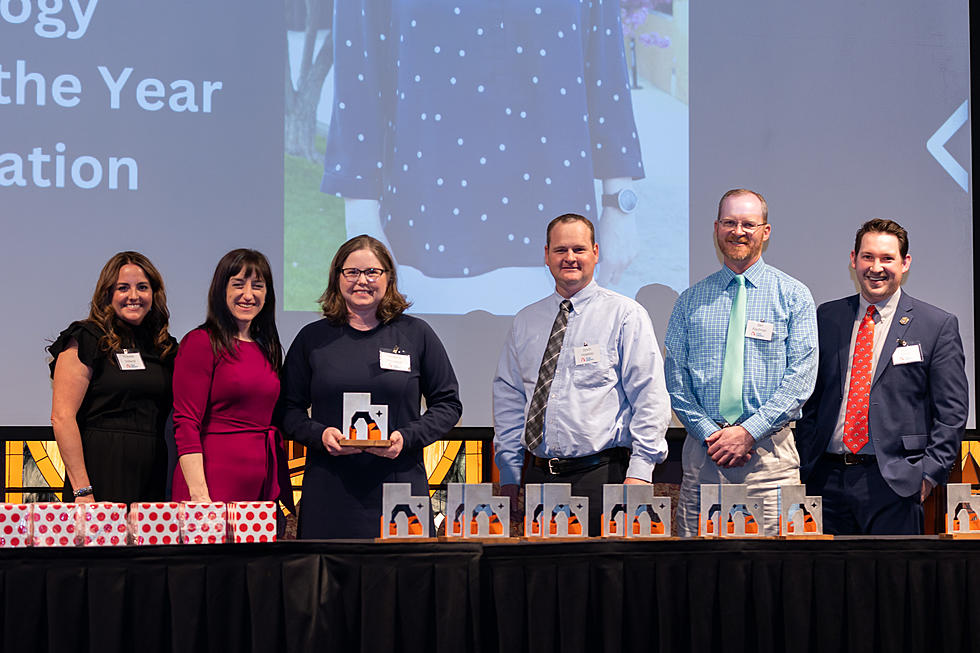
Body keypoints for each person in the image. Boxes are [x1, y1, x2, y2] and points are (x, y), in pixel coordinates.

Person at [493, 213, 671, 536]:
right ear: (546, 255)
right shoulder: (525, 321)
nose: (570, 258)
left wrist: (641, 472)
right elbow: (509, 399)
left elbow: (651, 397)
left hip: (603, 479)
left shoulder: (625, 315)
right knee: (541, 582)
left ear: (596, 253)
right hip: (538, 480)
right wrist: (509, 472)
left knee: (604, 583)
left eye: (579, 249)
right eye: (561, 250)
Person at [281, 235, 462, 539]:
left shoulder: (416, 335)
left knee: (402, 584)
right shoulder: (311, 339)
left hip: (400, 487)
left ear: (388, 278)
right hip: (329, 490)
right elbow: (287, 409)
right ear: (337, 277)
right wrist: (320, 435)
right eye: (352, 272)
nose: (361, 281)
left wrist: (407, 437)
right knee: (328, 584)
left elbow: (448, 404)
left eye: (372, 272)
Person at [796, 219, 968, 534]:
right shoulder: (827, 317)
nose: (876, 267)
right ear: (853, 260)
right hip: (826, 481)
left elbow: (952, 413)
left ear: (905, 263)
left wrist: (928, 475)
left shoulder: (936, 325)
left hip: (896, 483)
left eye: (887, 258)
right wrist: (809, 459)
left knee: (892, 583)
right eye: (868, 257)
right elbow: (811, 398)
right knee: (827, 582)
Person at [664, 189, 818, 536]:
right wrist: (712, 436)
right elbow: (676, 381)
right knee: (698, 578)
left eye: (749, 224)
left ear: (765, 231)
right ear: (717, 228)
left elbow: (801, 380)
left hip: (770, 467)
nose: (738, 231)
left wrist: (748, 432)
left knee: (773, 579)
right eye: (730, 222)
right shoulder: (690, 301)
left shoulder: (794, 296)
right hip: (704, 462)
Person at [49, 251, 177, 504]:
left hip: (154, 474)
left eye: (142, 287)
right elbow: (62, 417)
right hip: (99, 472)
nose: (134, 296)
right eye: (123, 288)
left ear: (154, 294)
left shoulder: (164, 347)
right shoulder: (86, 338)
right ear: (107, 293)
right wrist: (82, 491)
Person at [171, 249, 288, 505]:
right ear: (221, 290)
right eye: (238, 285)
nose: (248, 295)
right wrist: (199, 495)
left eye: (257, 286)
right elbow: (186, 422)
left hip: (259, 484)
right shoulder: (201, 342)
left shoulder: (266, 348)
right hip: (209, 485)